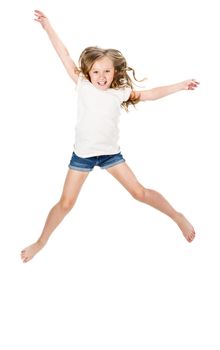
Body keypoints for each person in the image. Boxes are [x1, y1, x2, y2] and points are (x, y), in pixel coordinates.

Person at [21, 10, 199, 263]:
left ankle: (177, 216)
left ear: (114, 72)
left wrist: (179, 86)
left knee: (139, 193)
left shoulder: (120, 92)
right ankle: (40, 242)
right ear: (88, 73)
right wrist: (48, 27)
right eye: (96, 72)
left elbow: (151, 94)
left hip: (110, 155)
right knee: (65, 204)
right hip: (82, 156)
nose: (101, 77)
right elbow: (64, 54)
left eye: (106, 72)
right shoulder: (81, 82)